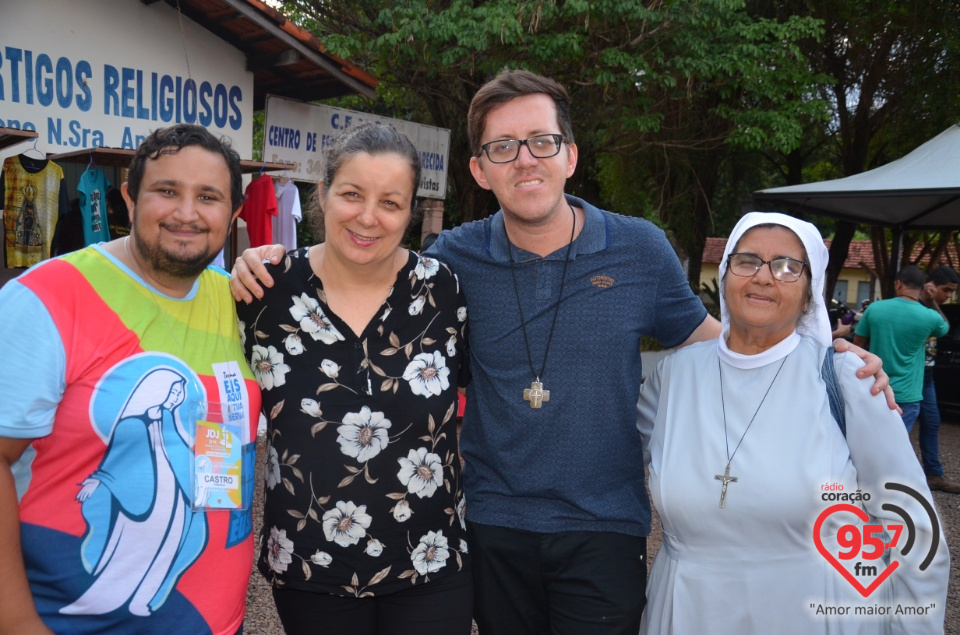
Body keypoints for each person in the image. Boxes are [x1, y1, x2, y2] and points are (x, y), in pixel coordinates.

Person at [231, 70, 892, 634]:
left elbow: (726, 346)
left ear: (569, 156)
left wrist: (823, 351)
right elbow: (366, 298)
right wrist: (261, 264)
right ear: (478, 169)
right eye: (503, 147)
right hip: (490, 523)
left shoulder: (640, 248)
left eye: (542, 142)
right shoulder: (449, 263)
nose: (525, 159)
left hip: (602, 525)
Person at [0, 123, 261, 635]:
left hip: (212, 621)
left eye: (208, 197)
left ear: (232, 214)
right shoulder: (47, 298)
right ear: (128, 197)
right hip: (70, 621)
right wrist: (16, 621)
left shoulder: (237, 299)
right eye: (166, 191)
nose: (186, 213)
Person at [637, 212, 948, 634]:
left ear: (809, 294)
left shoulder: (845, 380)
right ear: (726, 276)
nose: (764, 277)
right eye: (747, 261)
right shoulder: (673, 377)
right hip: (689, 609)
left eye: (788, 266)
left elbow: (913, 523)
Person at [236, 121, 472, 634]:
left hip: (430, 562)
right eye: (351, 194)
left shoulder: (443, 290)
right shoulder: (264, 292)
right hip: (310, 566)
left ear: (411, 212)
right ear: (321, 194)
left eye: (391, 202)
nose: (368, 217)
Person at [854, 266, 949, 433]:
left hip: (876, 388)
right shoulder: (930, 317)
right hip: (908, 394)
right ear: (922, 288)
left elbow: (857, 346)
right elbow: (945, 327)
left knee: (870, 441)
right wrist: (931, 301)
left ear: (898, 284)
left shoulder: (875, 309)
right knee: (895, 447)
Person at [916, 266, 960, 493]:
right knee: (897, 428)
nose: (949, 296)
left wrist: (934, 302)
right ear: (929, 285)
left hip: (928, 378)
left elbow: (945, 328)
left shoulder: (933, 310)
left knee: (932, 424)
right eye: (947, 290)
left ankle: (933, 474)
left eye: (952, 291)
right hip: (910, 378)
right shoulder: (914, 306)